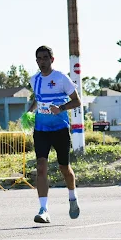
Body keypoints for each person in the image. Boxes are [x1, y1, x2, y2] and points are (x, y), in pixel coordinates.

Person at [26, 45, 81, 223]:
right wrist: (29, 113)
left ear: (52, 59)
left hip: (60, 129)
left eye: (45, 58)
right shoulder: (34, 80)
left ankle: (72, 198)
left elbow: (77, 101)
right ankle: (44, 210)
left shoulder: (61, 78)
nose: (42, 62)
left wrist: (61, 108)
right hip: (41, 129)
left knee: (64, 167)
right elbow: (37, 99)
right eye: (39, 59)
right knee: (41, 167)